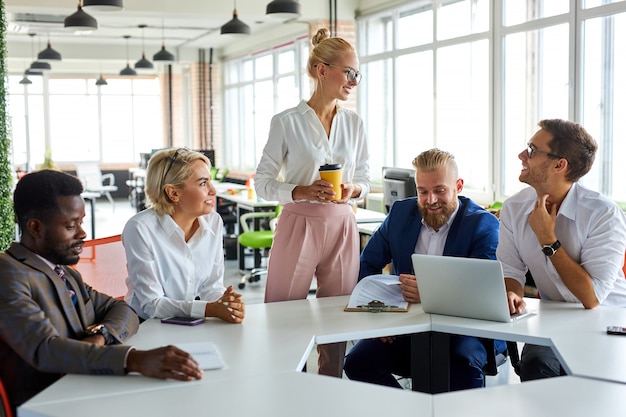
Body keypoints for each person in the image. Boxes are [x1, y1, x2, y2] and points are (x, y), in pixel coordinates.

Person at [0, 170, 203, 415]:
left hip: (90, 385)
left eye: (81, 222)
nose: (83, 233)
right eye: (71, 225)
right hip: (51, 402)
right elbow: (45, 350)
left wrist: (102, 336)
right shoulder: (9, 272)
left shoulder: (67, 274)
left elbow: (122, 309)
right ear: (35, 227)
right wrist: (133, 359)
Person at [255, 27, 370, 377]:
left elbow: (365, 178)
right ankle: (284, 385)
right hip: (298, 224)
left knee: (337, 319)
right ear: (322, 70)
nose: (353, 80)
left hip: (342, 225)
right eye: (348, 72)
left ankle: (329, 388)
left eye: (357, 74)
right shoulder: (286, 122)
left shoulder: (354, 123)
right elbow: (262, 183)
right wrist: (301, 191)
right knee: (283, 315)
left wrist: (353, 190)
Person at [344, 149, 506, 391]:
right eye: (423, 192)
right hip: (408, 323)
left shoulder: (483, 225)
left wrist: (431, 294)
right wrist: (376, 315)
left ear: (458, 186)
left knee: (459, 361)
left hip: (465, 329)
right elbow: (366, 264)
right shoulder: (400, 213)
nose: (431, 200)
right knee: (357, 363)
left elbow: (482, 292)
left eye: (440, 190)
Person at [498, 119, 626, 381]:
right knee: (536, 365)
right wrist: (512, 293)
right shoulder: (514, 208)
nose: (522, 155)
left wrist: (548, 240)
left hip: (608, 322)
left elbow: (591, 298)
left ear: (559, 164)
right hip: (554, 319)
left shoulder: (603, 214)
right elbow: (511, 272)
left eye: (532, 150)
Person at [123, 148, 245, 323]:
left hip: (189, 321)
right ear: (173, 193)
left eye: (210, 181)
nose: (213, 190)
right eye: (203, 183)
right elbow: (151, 304)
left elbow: (211, 286)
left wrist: (225, 303)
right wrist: (209, 309)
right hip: (146, 325)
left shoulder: (213, 221)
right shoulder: (139, 228)